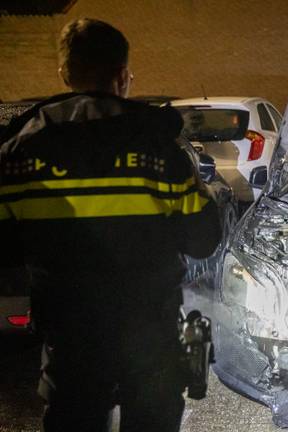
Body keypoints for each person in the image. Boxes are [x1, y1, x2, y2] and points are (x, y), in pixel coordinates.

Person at [0, 18, 221, 432]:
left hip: (69, 338)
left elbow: (6, 246)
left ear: (65, 75)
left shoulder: (20, 151)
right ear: (123, 75)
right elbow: (203, 239)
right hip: (149, 335)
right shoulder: (158, 147)